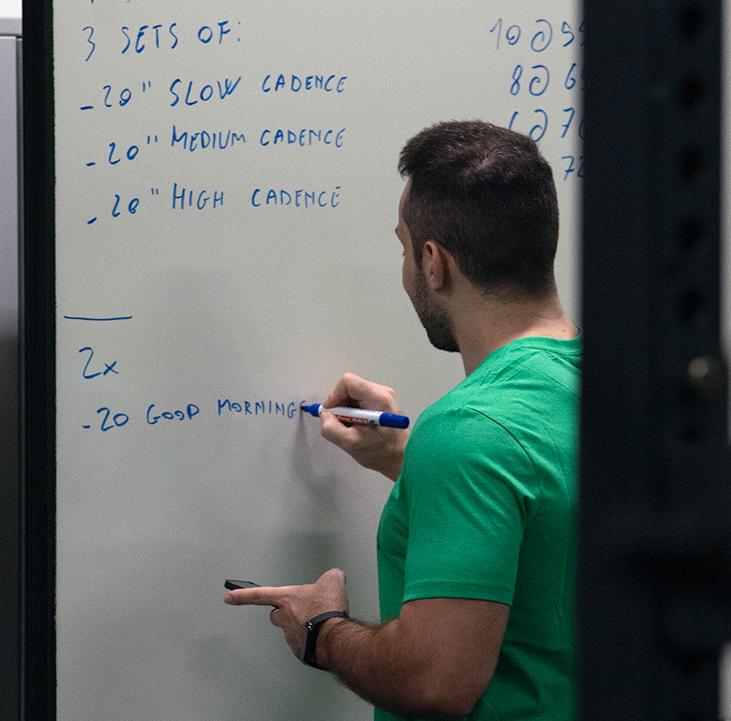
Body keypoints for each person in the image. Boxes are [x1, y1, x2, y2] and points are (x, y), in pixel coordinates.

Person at [225, 120, 580, 721]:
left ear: (433, 263)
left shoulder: (470, 430)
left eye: (403, 247)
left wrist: (322, 630)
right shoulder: (610, 388)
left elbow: (434, 683)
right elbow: (546, 517)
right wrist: (409, 461)